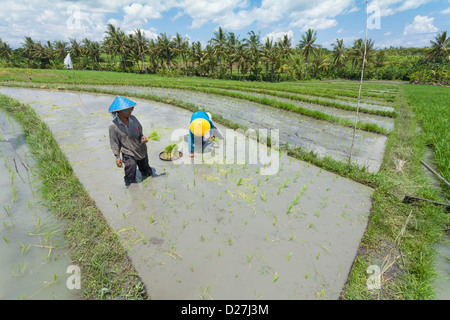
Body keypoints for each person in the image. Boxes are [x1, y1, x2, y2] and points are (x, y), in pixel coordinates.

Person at [108, 96, 154, 187]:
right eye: (126, 110)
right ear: (118, 112)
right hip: (128, 151)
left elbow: (140, 132)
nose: (130, 111)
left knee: (147, 172)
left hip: (140, 148)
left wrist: (142, 138)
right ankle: (129, 186)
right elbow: (114, 142)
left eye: (131, 109)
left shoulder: (133, 119)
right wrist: (117, 157)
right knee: (131, 168)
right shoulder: (113, 125)